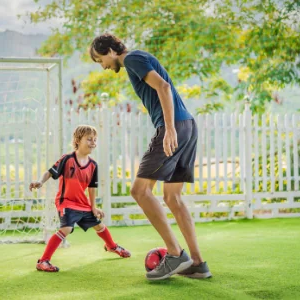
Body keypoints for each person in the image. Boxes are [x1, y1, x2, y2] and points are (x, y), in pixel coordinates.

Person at [89, 33, 211, 281]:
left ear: (111, 51)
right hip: (188, 125)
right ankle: (197, 263)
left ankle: (176, 254)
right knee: (172, 197)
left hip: (175, 126)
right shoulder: (139, 58)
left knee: (140, 191)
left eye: (100, 59)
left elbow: (163, 87)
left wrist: (168, 129)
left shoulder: (132, 58)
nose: (102, 66)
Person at [30, 125, 131, 272]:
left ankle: (111, 246)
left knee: (99, 226)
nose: (93, 142)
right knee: (66, 228)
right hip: (66, 201)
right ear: (77, 141)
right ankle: (43, 261)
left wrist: (93, 207)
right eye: (89, 139)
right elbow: (50, 172)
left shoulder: (93, 165)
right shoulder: (67, 159)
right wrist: (40, 182)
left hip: (82, 204)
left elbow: (91, 188)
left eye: (94, 140)